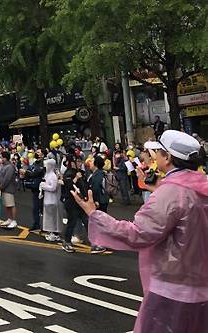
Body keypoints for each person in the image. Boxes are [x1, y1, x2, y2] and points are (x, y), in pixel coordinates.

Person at [73, 130, 208, 333]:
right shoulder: (200, 187)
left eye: (158, 152)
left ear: (168, 157)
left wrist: (95, 214)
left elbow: (139, 233)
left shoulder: (170, 193)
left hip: (172, 292)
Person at [21, 150, 45, 231]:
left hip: (41, 189)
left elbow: (35, 173)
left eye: (38, 152)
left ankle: (45, 226)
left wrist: (26, 172)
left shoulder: (43, 163)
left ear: (42, 155)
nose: (36, 153)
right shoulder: (35, 163)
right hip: (35, 188)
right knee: (36, 208)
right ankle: (36, 224)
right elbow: (30, 171)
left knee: (41, 208)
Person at [40, 158, 63, 241]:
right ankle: (50, 231)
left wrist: (44, 186)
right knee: (49, 217)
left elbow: (53, 188)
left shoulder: (53, 176)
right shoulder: (47, 175)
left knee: (52, 217)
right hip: (47, 198)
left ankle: (54, 232)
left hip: (52, 200)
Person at [0, 151, 18, 229]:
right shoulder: (4, 166)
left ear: (5, 158)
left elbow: (7, 179)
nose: (1, 159)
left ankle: (14, 220)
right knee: (7, 205)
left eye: (2, 157)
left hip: (9, 188)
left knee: (11, 204)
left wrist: (1, 186)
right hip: (4, 189)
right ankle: (9, 219)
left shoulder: (10, 166)